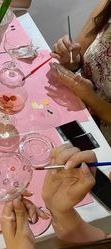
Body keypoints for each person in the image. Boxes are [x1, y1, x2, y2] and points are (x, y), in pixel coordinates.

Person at [50, 0, 111, 143]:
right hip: (73, 97)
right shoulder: (107, 5)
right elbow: (77, 59)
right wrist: (68, 57)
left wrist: (89, 96)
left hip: (102, 133)